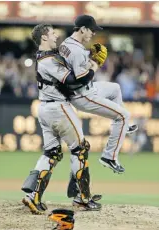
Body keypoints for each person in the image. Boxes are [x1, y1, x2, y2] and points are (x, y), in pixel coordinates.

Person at [21, 23, 102, 215]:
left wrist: (87, 56)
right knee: (80, 149)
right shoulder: (49, 60)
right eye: (52, 33)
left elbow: (66, 56)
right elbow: (73, 81)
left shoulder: (45, 57)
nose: (56, 35)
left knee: (52, 152)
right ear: (43, 38)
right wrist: (94, 67)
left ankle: (33, 196)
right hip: (59, 108)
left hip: (45, 108)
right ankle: (83, 199)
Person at [59, 15, 138, 174]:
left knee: (115, 88)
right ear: (82, 29)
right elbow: (80, 79)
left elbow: (75, 65)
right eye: (92, 30)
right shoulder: (77, 51)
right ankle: (109, 157)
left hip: (84, 89)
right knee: (123, 115)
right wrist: (95, 65)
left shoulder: (66, 43)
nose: (93, 33)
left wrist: (89, 56)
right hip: (82, 95)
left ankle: (123, 127)